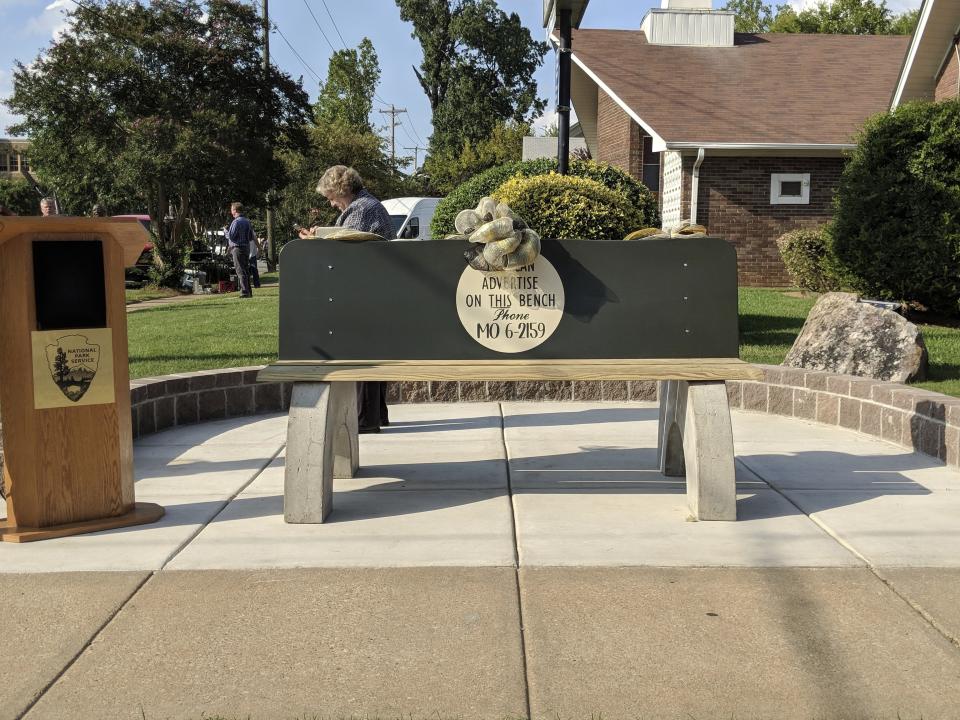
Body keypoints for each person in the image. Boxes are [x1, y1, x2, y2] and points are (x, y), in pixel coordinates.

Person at [317, 165, 395, 433]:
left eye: (331, 196)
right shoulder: (369, 205)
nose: (331, 202)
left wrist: (316, 243)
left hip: (366, 294)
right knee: (373, 353)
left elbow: (344, 251)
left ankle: (365, 419)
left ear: (342, 189)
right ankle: (377, 414)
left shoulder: (361, 209)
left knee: (363, 355)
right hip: (379, 291)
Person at [225, 201, 254, 298]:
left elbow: (231, 236)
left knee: (240, 270)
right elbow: (251, 237)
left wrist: (225, 231)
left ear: (235, 210)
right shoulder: (247, 221)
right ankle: (249, 291)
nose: (231, 212)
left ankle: (244, 292)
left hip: (237, 248)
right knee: (245, 270)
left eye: (231, 209)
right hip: (246, 247)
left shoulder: (235, 222)